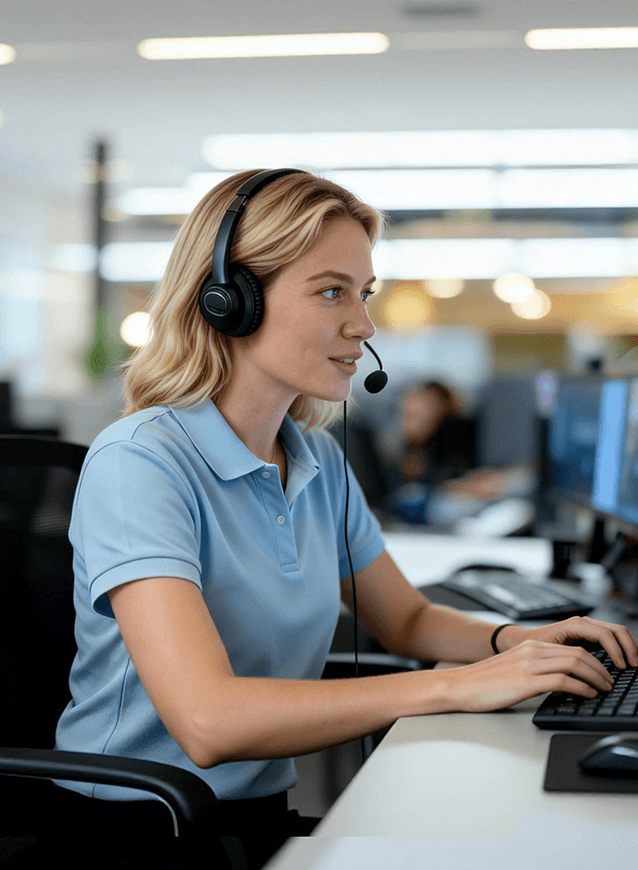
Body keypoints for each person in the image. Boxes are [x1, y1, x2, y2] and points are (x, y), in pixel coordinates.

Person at [55, 169, 638, 868]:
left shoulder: (316, 462)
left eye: (363, 295)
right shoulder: (140, 463)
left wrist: (521, 641)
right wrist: (458, 685)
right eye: (332, 291)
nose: (362, 325)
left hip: (251, 816)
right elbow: (207, 721)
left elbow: (409, 622)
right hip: (138, 827)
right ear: (229, 300)